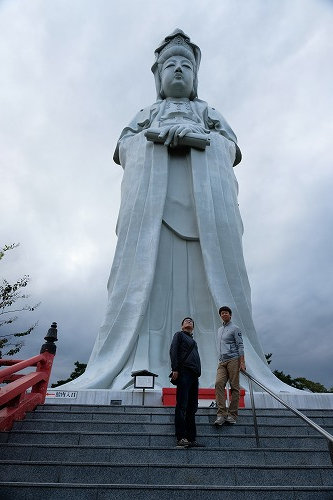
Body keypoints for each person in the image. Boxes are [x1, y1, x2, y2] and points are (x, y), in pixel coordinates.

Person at [61, 29, 294, 394]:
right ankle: (138, 362)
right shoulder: (147, 114)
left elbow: (231, 149)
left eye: (187, 64)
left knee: (215, 287)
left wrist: (197, 137)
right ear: (158, 76)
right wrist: (155, 137)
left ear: (196, 77)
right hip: (154, 216)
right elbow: (124, 148)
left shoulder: (207, 113)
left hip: (207, 219)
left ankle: (231, 374)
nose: (179, 70)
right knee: (148, 287)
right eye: (171, 64)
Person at [170, 317, 202, 447]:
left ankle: (191, 438)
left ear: (193, 327)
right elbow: (173, 351)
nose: (189, 322)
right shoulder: (179, 335)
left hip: (194, 376)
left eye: (191, 322)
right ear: (182, 325)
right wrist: (175, 369)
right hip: (184, 372)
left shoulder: (193, 341)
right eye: (186, 321)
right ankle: (181, 437)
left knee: (192, 407)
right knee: (182, 405)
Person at [214, 306, 246, 425]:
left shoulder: (235, 328)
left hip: (233, 359)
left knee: (234, 387)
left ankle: (232, 414)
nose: (224, 315)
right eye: (222, 313)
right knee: (218, 383)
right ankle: (221, 414)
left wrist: (242, 362)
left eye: (226, 313)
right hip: (222, 361)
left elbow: (240, 345)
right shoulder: (219, 330)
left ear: (230, 315)